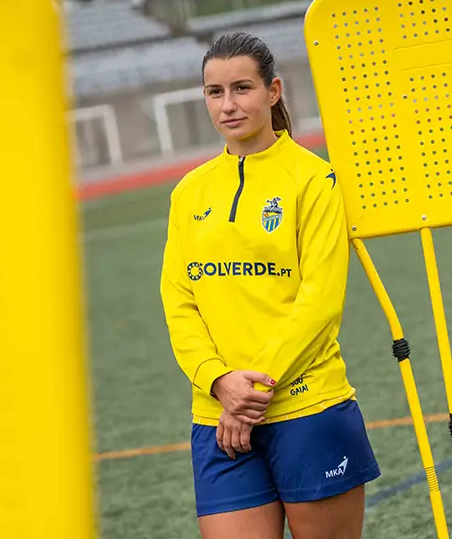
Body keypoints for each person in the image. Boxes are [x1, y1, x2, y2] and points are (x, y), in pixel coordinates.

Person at [159, 31, 379, 539]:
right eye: (215, 92)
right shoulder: (189, 193)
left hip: (307, 407)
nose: (228, 105)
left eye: (242, 88)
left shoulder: (313, 181)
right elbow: (179, 302)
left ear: (273, 91)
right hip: (218, 417)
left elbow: (318, 303)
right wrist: (218, 383)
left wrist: (250, 394)